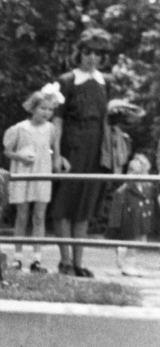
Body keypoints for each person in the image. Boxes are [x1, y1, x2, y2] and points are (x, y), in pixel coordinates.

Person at [50, 28, 114, 277]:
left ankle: (78, 263)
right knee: (64, 203)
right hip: (71, 146)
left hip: (95, 147)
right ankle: (64, 261)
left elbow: (108, 120)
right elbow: (57, 120)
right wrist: (56, 154)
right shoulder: (66, 80)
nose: (92, 58)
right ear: (80, 53)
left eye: (98, 54)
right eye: (87, 52)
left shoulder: (106, 83)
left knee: (85, 205)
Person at [2, 83, 61, 263]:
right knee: (22, 216)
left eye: (50, 110)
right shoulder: (19, 128)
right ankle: (18, 256)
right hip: (24, 172)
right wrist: (19, 157)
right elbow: (7, 151)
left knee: (39, 216)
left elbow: (54, 152)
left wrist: (59, 161)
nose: (46, 113)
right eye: (42, 108)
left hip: (42, 173)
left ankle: (37, 257)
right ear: (32, 108)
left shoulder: (51, 129)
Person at [107, 152, 157, 244]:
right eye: (129, 170)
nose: (129, 174)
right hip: (126, 233)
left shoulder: (149, 189)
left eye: (133, 170)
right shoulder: (122, 191)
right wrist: (113, 234)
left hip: (143, 230)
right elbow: (115, 218)